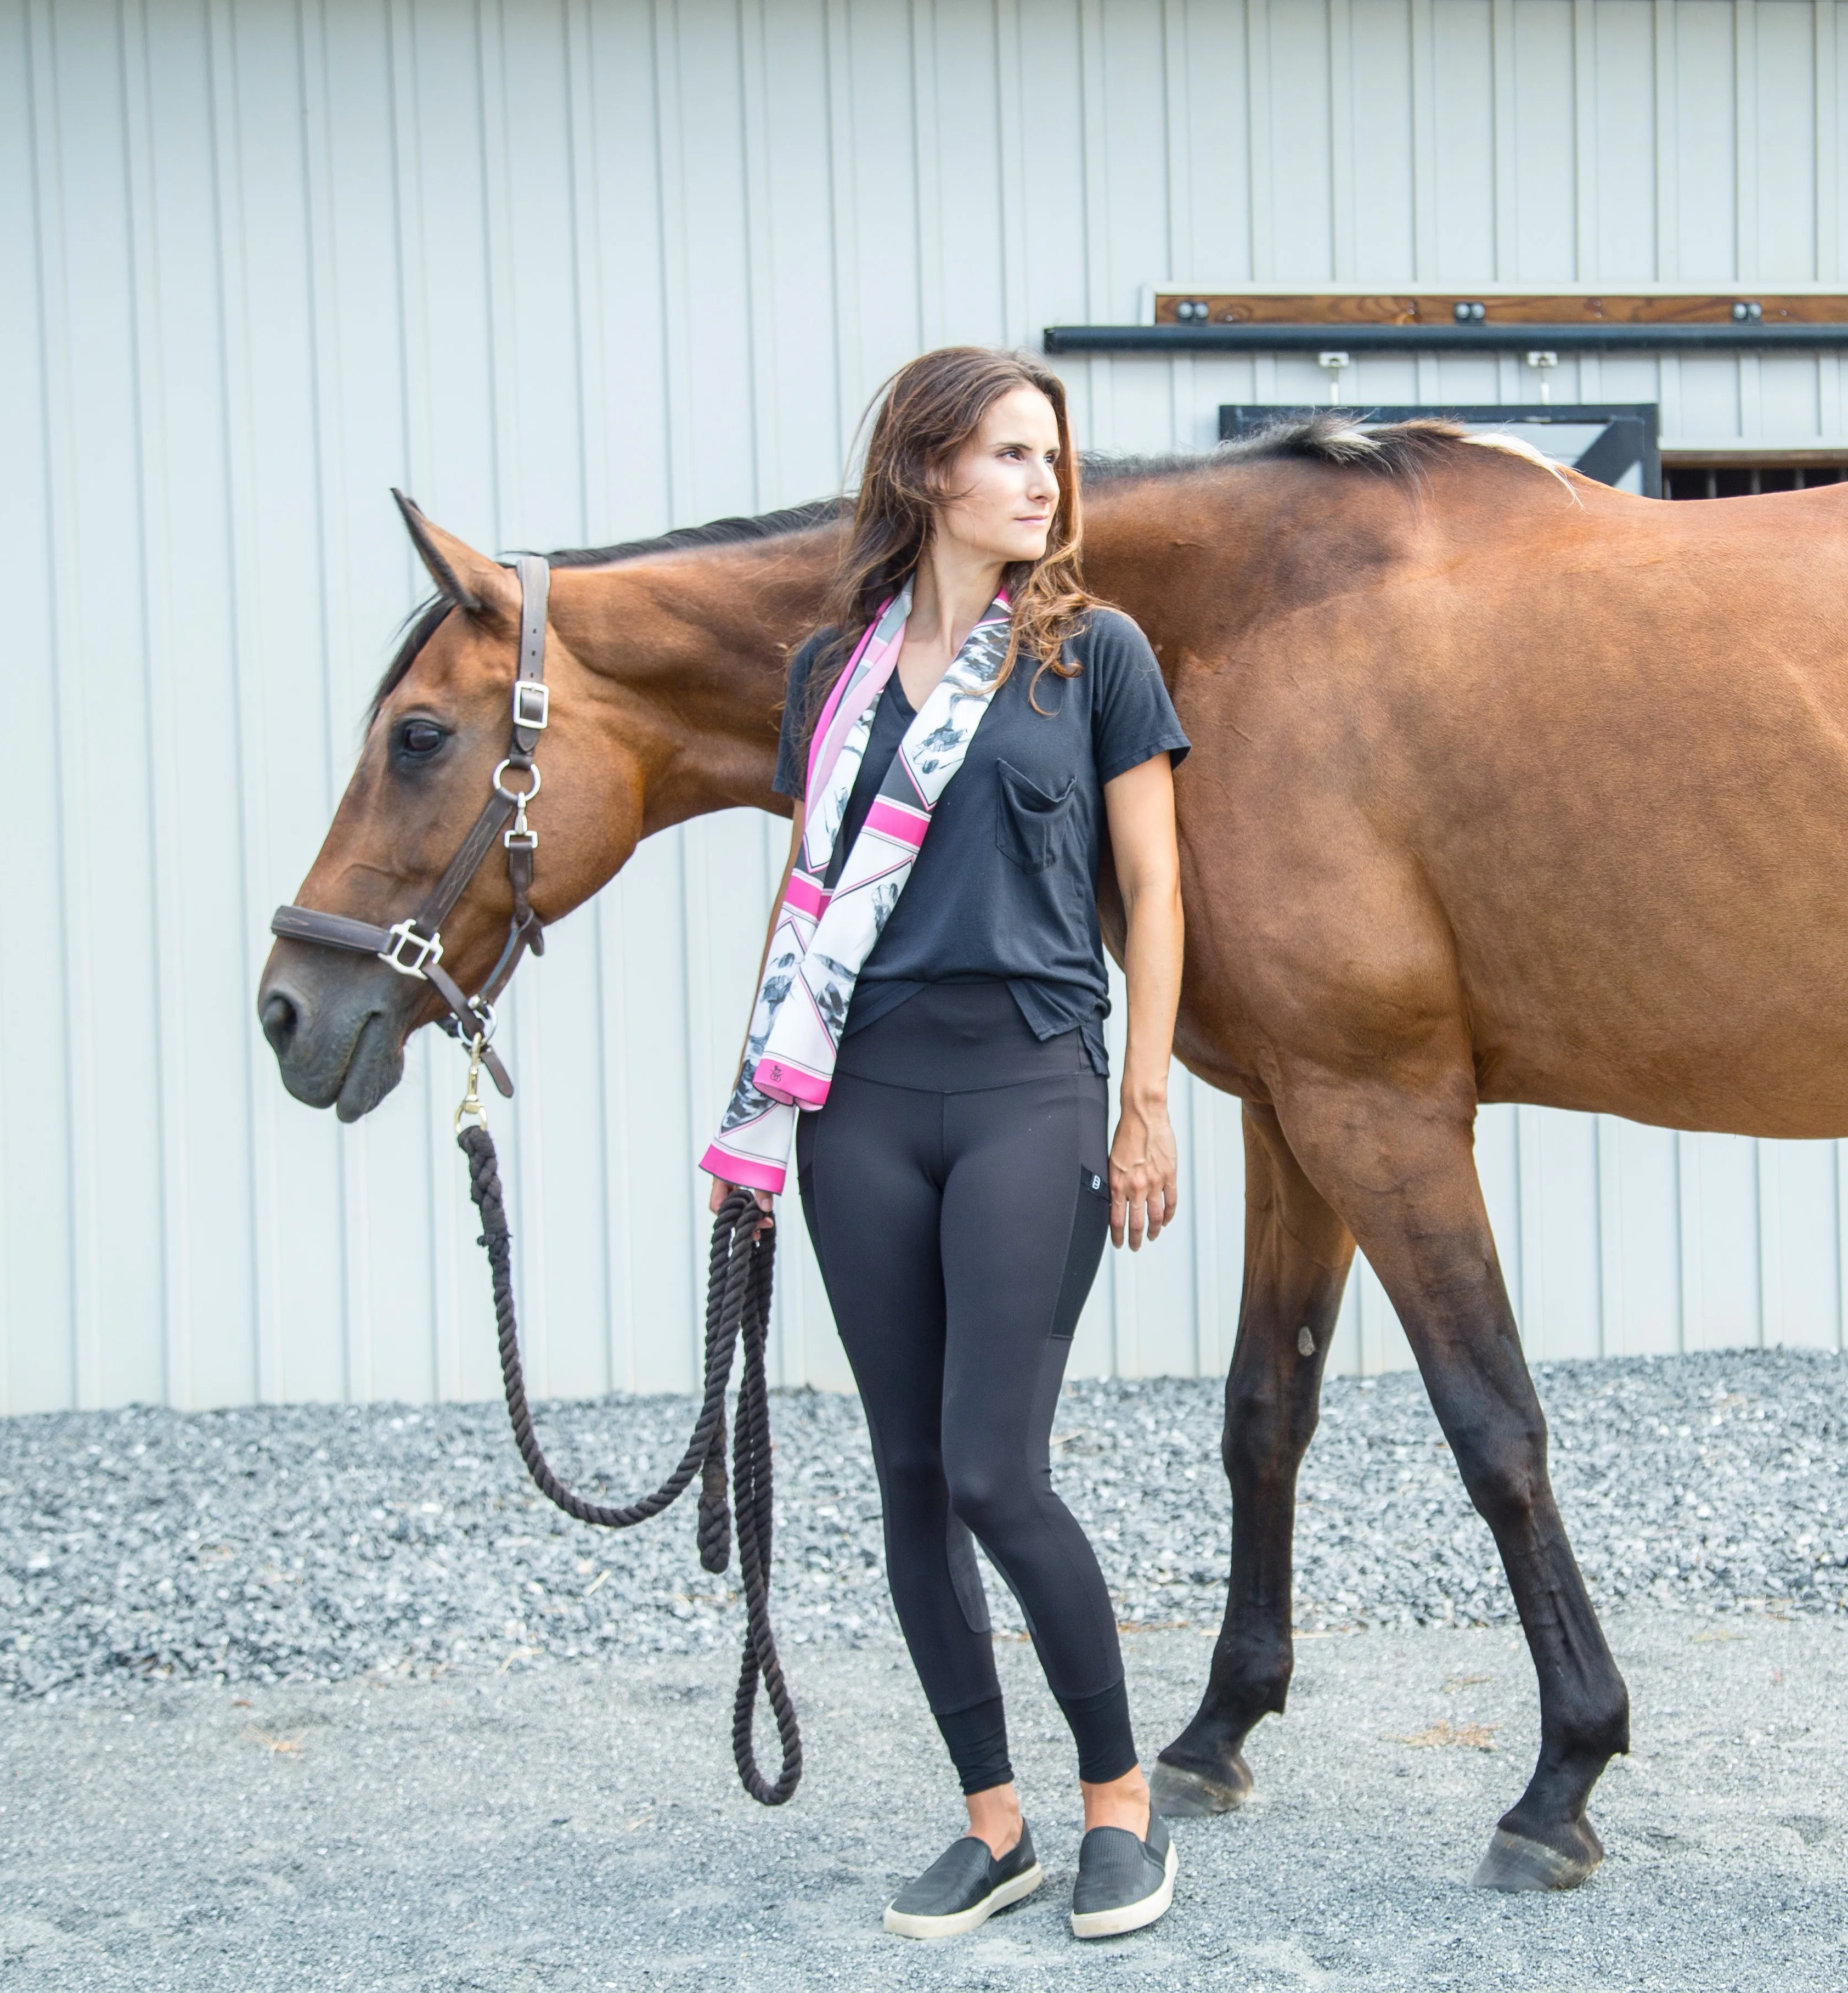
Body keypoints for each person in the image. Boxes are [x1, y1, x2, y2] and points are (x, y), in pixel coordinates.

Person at [697, 347, 1189, 1940]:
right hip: (863, 1103)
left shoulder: (1095, 657)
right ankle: (996, 1825)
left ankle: (1122, 1808)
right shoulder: (829, 677)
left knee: (994, 1468)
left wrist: (1147, 1102)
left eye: (1054, 457)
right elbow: (802, 902)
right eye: (1011, 455)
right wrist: (764, 1125)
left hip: (1028, 1084)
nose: (1046, 483)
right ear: (927, 475)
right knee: (910, 1475)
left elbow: (1157, 894)